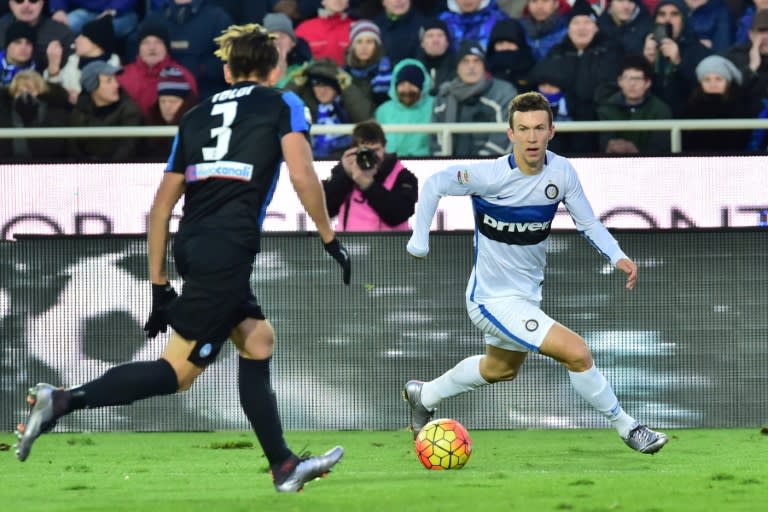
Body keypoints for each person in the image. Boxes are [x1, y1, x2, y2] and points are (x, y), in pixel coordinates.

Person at [15, 23, 351, 493]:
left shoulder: (196, 115)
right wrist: (328, 234)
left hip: (193, 243)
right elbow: (302, 174)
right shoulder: (283, 103)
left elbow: (160, 208)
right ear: (273, 68)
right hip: (229, 248)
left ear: (229, 69)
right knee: (177, 372)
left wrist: (157, 283)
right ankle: (64, 401)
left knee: (258, 340)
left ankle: (284, 465)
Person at [403, 91, 669, 455]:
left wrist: (617, 255)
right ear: (510, 134)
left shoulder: (561, 172)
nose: (531, 137)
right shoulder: (489, 176)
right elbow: (434, 184)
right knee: (577, 352)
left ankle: (425, 394)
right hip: (490, 300)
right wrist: (420, 240)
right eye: (523, 129)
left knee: (499, 369)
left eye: (539, 128)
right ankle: (629, 427)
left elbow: (587, 222)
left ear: (551, 131)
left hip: (526, 296)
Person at [323, 120, 418, 231]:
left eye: (376, 150)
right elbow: (325, 211)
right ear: (354, 149)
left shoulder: (402, 176)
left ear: (384, 147)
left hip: (390, 246)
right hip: (350, 245)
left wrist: (367, 184)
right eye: (366, 151)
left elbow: (398, 215)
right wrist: (344, 175)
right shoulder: (345, 171)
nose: (372, 156)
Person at [596, 54, 672, 153]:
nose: (632, 84)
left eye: (637, 79)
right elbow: (604, 144)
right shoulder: (606, 109)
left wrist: (637, 153)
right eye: (627, 78)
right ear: (620, 81)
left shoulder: (661, 110)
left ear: (648, 83)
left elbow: (660, 147)